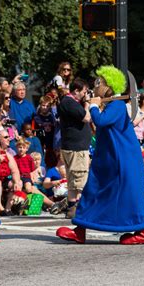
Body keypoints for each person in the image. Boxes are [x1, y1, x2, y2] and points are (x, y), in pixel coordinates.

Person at [56, 65, 144, 245]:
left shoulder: (117, 105)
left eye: (98, 82)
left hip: (122, 160)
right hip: (109, 160)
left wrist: (93, 106)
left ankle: (140, 230)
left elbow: (101, 121)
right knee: (94, 191)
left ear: (109, 86)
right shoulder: (112, 105)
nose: (95, 86)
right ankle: (80, 228)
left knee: (127, 195)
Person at [57, 78, 92, 218]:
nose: (85, 94)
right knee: (78, 179)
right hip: (76, 148)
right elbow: (86, 118)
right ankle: (75, 207)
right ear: (76, 91)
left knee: (74, 180)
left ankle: (72, 207)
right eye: (83, 92)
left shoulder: (70, 102)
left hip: (74, 147)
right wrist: (88, 104)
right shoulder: (69, 102)